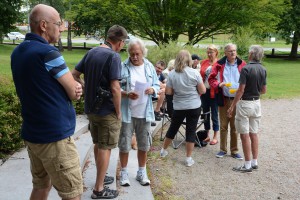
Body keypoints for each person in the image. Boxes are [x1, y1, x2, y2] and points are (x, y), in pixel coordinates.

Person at [11, 4, 83, 200]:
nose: (61, 28)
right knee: (72, 193)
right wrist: (73, 87)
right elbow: (74, 93)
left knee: (41, 186)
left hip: (33, 134)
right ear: (44, 25)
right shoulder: (48, 53)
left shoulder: (18, 52)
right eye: (59, 23)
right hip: (55, 138)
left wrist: (69, 85)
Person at [72, 25, 127, 199]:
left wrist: (87, 87)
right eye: (123, 42)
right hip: (106, 111)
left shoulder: (92, 52)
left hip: (91, 109)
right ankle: (99, 189)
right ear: (119, 41)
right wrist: (118, 112)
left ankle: (100, 178)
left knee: (98, 143)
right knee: (105, 147)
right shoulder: (113, 56)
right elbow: (116, 88)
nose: (123, 46)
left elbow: (74, 74)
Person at [118, 38, 160, 186]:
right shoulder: (123, 66)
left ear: (143, 53)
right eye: (132, 54)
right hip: (127, 113)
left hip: (144, 112)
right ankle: (123, 173)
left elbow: (157, 85)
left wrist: (152, 89)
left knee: (143, 145)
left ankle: (141, 172)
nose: (134, 57)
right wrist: (126, 93)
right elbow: (116, 87)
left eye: (137, 54)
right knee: (124, 144)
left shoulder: (149, 67)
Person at [160, 50, 206, 167]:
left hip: (179, 106)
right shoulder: (195, 73)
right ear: (189, 60)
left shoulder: (172, 74)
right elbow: (202, 90)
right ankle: (188, 158)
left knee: (173, 128)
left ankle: (164, 150)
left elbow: (169, 92)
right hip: (194, 105)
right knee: (190, 131)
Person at [227, 45, 267, 173]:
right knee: (254, 133)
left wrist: (232, 106)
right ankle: (255, 162)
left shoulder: (246, 69)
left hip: (245, 103)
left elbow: (240, 90)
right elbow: (264, 91)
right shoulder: (263, 69)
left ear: (251, 54)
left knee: (244, 135)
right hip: (257, 103)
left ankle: (247, 164)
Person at [208, 43, 246, 159]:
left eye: (234, 50)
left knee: (235, 126)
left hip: (237, 99)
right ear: (225, 53)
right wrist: (218, 84)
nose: (233, 53)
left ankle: (234, 151)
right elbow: (211, 79)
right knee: (224, 125)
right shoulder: (219, 64)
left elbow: (247, 79)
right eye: (230, 51)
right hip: (223, 98)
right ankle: (222, 150)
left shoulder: (242, 64)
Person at [200, 44, 220, 145]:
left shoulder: (219, 63)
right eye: (208, 52)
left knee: (214, 114)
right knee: (205, 114)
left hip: (214, 92)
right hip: (204, 91)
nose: (209, 54)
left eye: (211, 52)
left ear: (216, 52)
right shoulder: (204, 62)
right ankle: (207, 135)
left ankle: (215, 136)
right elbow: (200, 76)